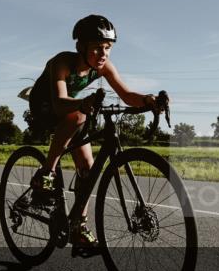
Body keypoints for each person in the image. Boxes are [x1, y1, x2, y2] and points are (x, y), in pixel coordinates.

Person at [18, 14, 165, 256]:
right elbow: (59, 103)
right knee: (78, 116)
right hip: (45, 106)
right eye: (97, 47)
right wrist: (83, 104)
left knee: (88, 169)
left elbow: (127, 96)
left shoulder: (104, 67)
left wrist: (149, 100)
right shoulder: (62, 62)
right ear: (80, 47)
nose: (103, 53)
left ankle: (78, 226)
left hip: (74, 109)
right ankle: (46, 173)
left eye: (108, 47)